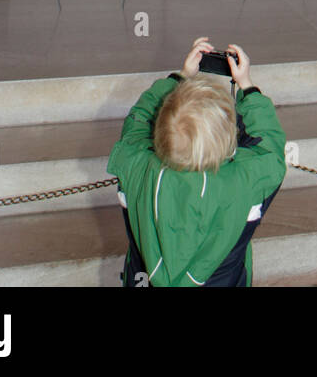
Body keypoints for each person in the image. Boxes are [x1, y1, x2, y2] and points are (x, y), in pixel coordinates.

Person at [108, 37, 286, 289]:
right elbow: (270, 146)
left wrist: (179, 77)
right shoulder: (243, 180)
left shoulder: (137, 164)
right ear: (228, 139)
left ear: (159, 131)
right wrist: (247, 87)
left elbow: (138, 120)